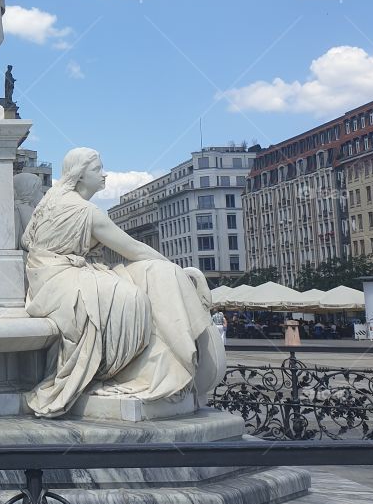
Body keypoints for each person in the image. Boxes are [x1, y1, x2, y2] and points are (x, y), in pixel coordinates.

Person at [21, 148, 225, 418]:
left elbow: (26, 241)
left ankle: (157, 364)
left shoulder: (49, 200)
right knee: (134, 297)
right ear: (80, 175)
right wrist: (174, 268)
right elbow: (134, 249)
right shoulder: (85, 212)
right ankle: (138, 372)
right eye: (97, 169)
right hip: (60, 278)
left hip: (44, 276)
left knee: (151, 276)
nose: (103, 175)